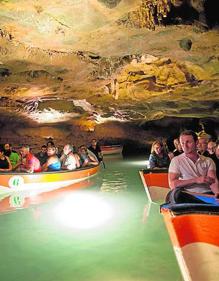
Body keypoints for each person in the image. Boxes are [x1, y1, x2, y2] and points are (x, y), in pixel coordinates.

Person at [168, 130, 219, 196]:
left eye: (188, 142)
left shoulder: (208, 161)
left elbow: (213, 181)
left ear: (196, 142)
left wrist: (217, 193)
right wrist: (196, 180)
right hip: (187, 195)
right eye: (182, 143)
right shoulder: (176, 160)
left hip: (207, 194)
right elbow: (172, 184)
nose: (185, 146)